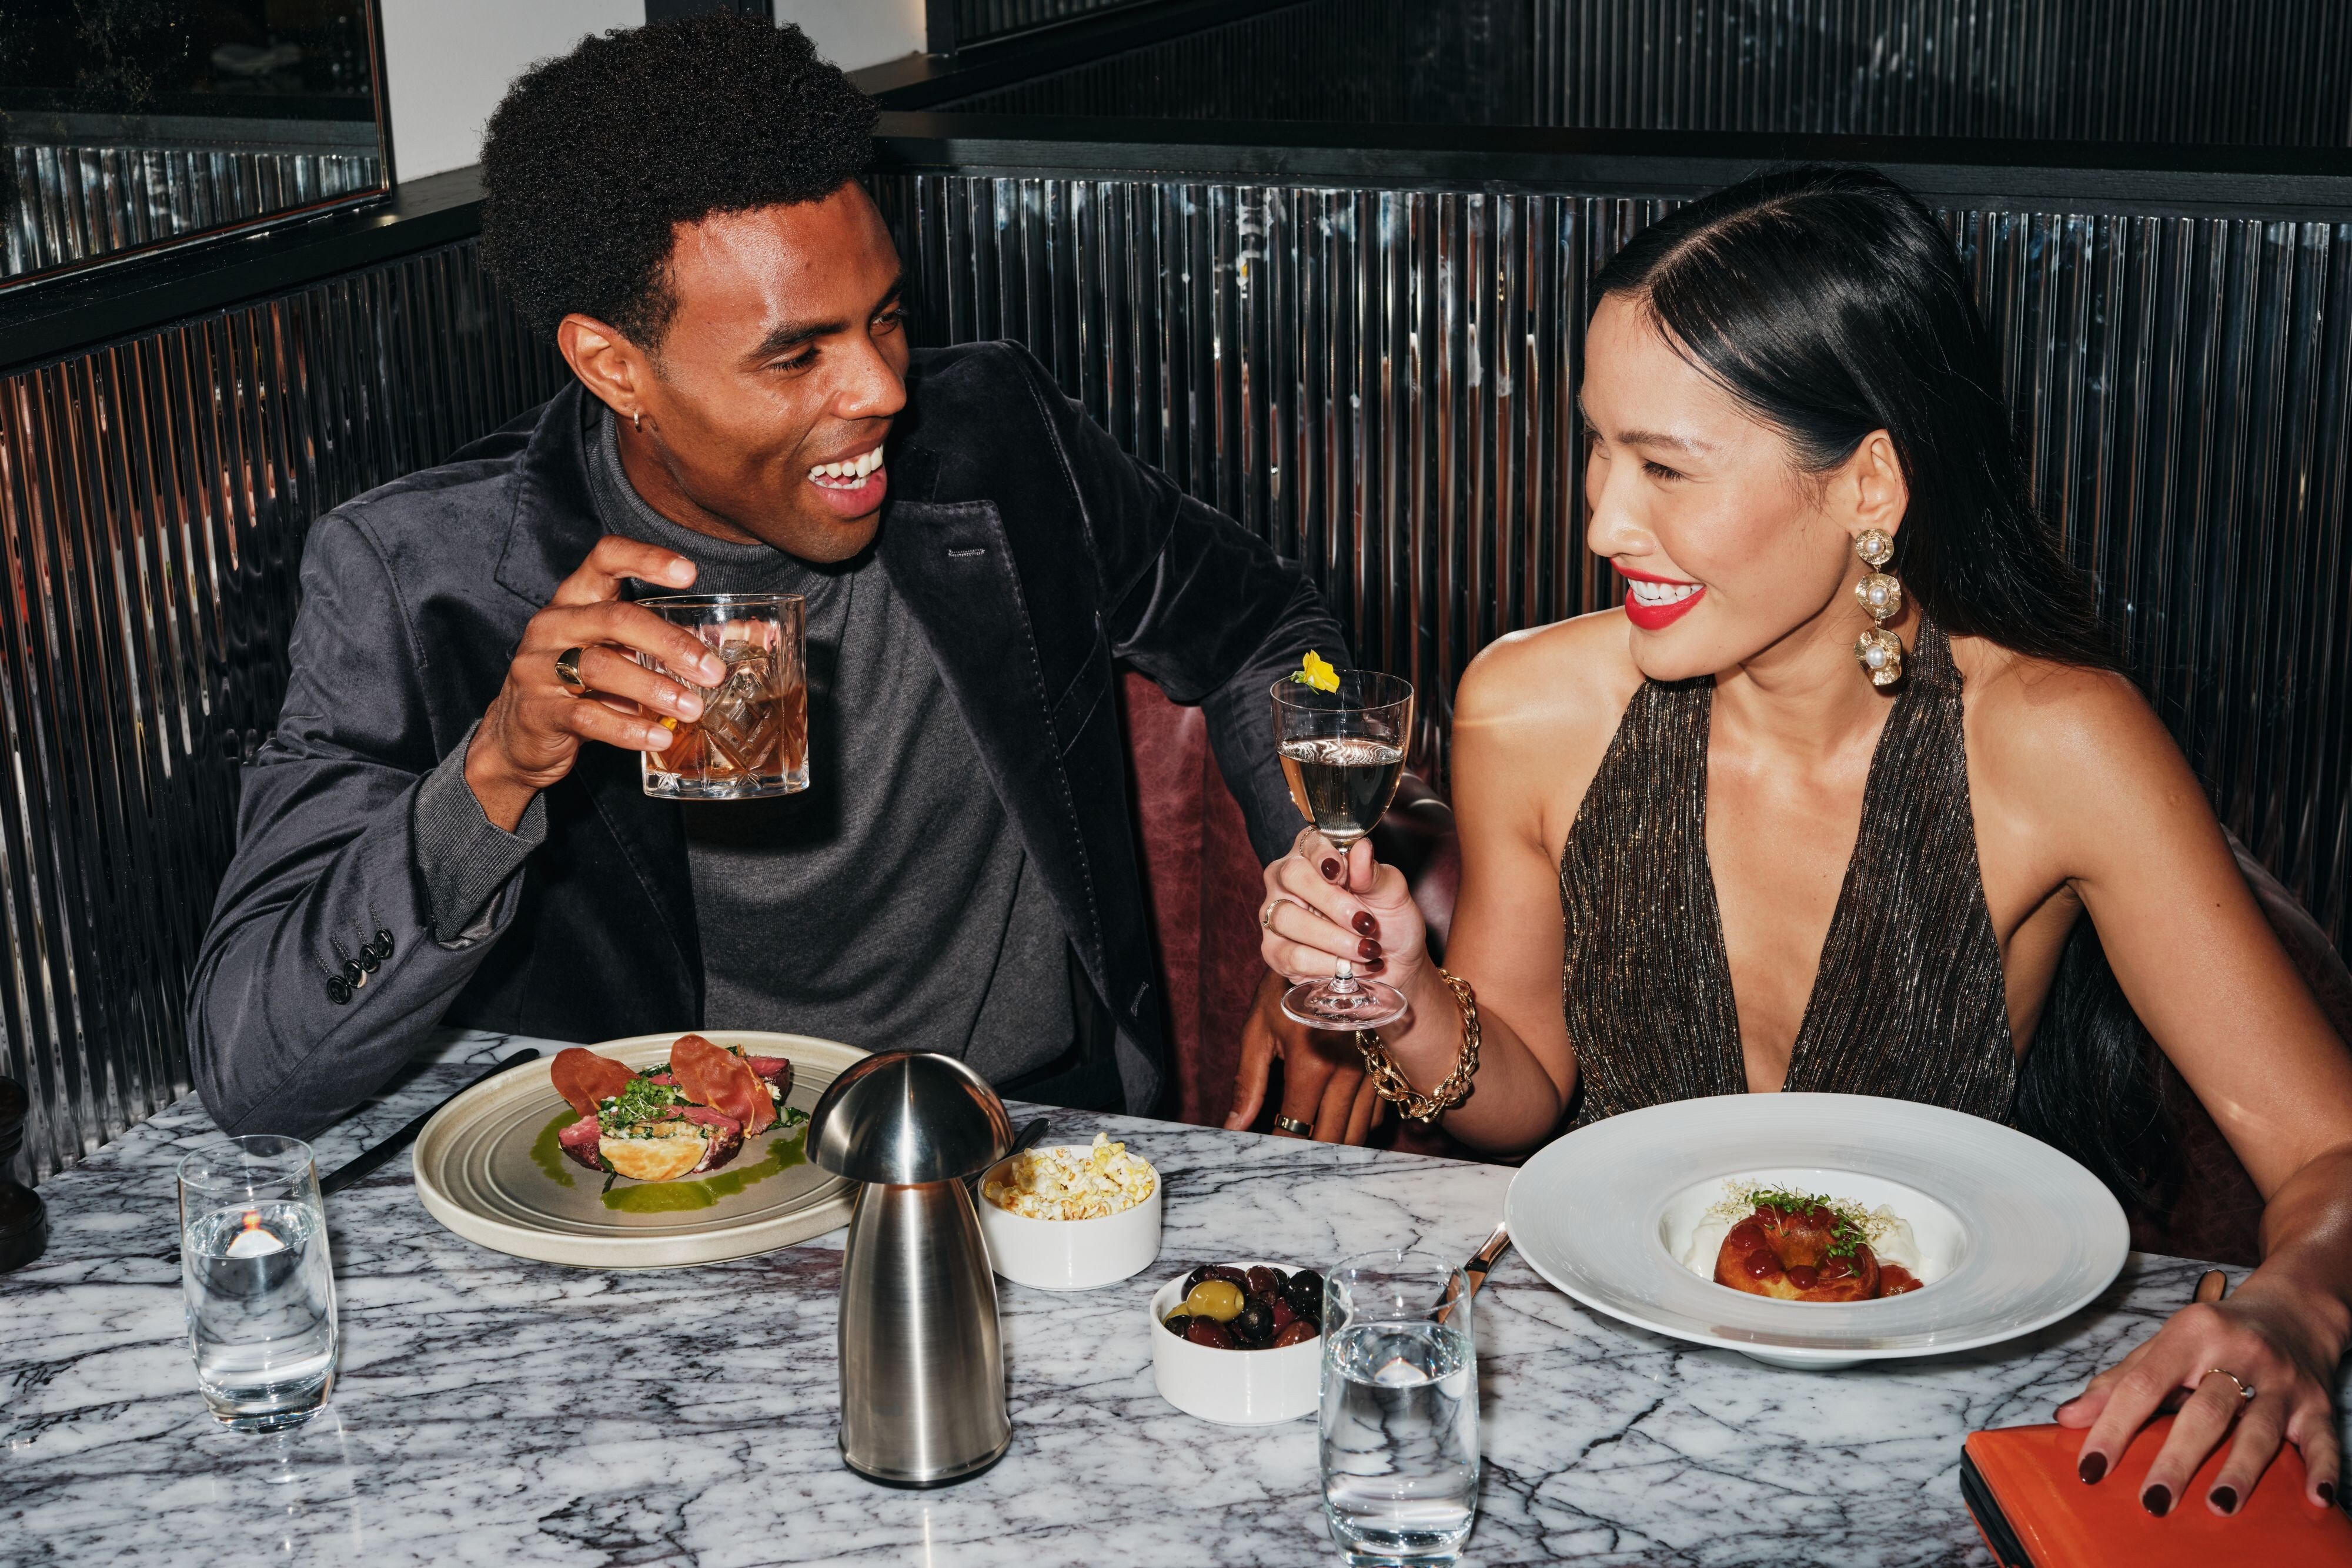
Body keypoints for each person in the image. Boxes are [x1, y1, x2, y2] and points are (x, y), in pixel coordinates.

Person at [1258, 167, 2352, 1511]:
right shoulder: (1527, 706)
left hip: (1921, 1443)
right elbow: (1524, 1093)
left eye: (1666, 466)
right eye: (1598, 446)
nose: (1602, 520)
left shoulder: (2055, 741)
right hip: (1598, 1420)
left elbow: (2327, 1151)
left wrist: (2293, 1306)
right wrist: (1404, 993)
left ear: (1868, 483)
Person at [188, 15, 1339, 1134]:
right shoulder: (419, 576)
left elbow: (1269, 631)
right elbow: (250, 1067)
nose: (882, 390)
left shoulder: (998, 440)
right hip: (659, 1189)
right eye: (796, 355)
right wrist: (494, 772)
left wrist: (1320, 903)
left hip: (1019, 1133)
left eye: (885, 319)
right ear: (614, 367)